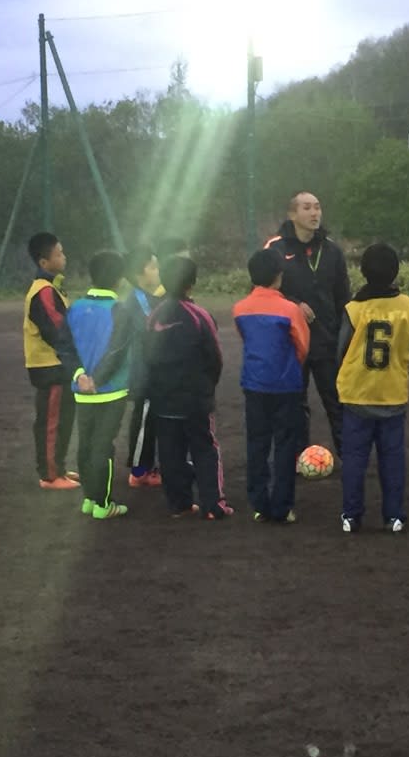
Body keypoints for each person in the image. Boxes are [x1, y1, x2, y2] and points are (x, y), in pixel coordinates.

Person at [336, 243, 409, 534]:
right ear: (395, 271)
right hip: (392, 392)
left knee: (355, 457)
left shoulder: (354, 308)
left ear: (363, 271)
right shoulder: (407, 305)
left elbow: (341, 349)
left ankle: (351, 515)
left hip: (357, 393)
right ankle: (394, 515)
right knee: (393, 457)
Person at [146, 256, 233, 520]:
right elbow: (215, 357)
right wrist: (207, 386)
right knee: (205, 448)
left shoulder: (154, 316)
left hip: (163, 398)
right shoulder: (199, 316)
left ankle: (179, 504)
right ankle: (213, 505)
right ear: (193, 283)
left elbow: (145, 356)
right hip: (195, 399)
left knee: (170, 452)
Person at [264, 191, 350, 458]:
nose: (314, 213)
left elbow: (343, 297)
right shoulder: (276, 249)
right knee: (294, 404)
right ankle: (297, 456)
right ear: (292, 214)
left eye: (317, 207)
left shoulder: (333, 250)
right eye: (307, 208)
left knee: (337, 401)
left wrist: (343, 337)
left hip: (326, 342)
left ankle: (349, 455)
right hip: (291, 343)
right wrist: (294, 304)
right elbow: (265, 291)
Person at [233, 249, 310, 524]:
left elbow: (246, 338)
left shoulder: (240, 308)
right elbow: (302, 346)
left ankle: (259, 504)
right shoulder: (290, 309)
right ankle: (282, 505)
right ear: (279, 276)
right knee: (286, 444)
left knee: (257, 443)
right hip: (286, 385)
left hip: (254, 383)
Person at [65, 252, 132, 520]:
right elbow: (118, 349)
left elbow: (65, 346)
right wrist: (99, 379)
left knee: (85, 444)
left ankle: (90, 499)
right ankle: (104, 504)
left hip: (82, 391)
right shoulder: (120, 310)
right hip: (111, 389)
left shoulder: (75, 307)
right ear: (119, 278)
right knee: (104, 446)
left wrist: (81, 375)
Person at [23, 232, 80, 490]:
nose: (64, 256)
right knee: (51, 420)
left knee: (62, 418)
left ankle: (57, 465)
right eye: (58, 253)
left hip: (57, 366)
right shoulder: (44, 292)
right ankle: (50, 474)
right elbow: (57, 331)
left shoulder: (53, 288)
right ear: (43, 262)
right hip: (50, 367)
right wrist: (75, 357)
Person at [121, 245, 163, 488]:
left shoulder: (147, 297)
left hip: (152, 372)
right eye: (153, 267)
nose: (158, 271)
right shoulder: (136, 301)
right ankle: (138, 471)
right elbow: (150, 331)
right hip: (144, 374)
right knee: (144, 420)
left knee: (152, 419)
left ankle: (148, 466)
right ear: (139, 274)